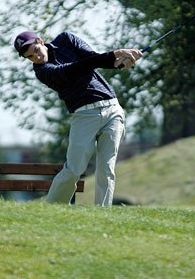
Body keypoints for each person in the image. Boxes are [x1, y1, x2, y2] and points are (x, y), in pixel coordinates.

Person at [14, 30, 142, 206]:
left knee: (107, 168)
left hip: (112, 109)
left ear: (41, 41)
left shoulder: (66, 40)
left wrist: (119, 61)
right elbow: (72, 69)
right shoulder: (43, 71)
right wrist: (117, 53)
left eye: (36, 50)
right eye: (30, 57)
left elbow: (93, 58)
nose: (36, 57)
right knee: (74, 169)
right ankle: (52, 210)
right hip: (84, 116)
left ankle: (102, 215)